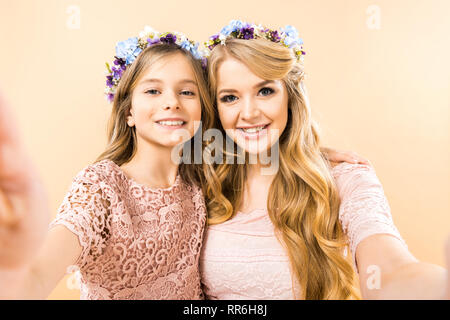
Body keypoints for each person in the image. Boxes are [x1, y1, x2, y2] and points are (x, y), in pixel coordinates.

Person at [199, 20, 449, 299]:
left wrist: (433, 287)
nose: (248, 113)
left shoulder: (346, 179)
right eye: (230, 97)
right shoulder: (203, 181)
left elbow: (389, 268)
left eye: (265, 91)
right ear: (216, 107)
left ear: (290, 97)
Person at [0, 26, 214, 299]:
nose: (172, 102)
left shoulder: (199, 183)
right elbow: (39, 274)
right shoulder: (101, 188)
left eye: (187, 92)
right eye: (152, 91)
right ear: (129, 113)